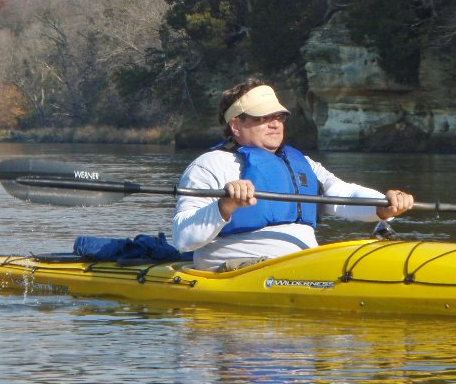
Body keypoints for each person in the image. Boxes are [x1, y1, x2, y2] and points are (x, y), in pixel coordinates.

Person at [172, 78, 414, 271]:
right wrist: (224, 206)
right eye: (262, 118)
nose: (275, 124)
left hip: (302, 266)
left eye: (278, 117)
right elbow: (183, 239)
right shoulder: (210, 165)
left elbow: (344, 195)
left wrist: (383, 206)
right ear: (236, 125)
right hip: (239, 271)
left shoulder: (304, 164)